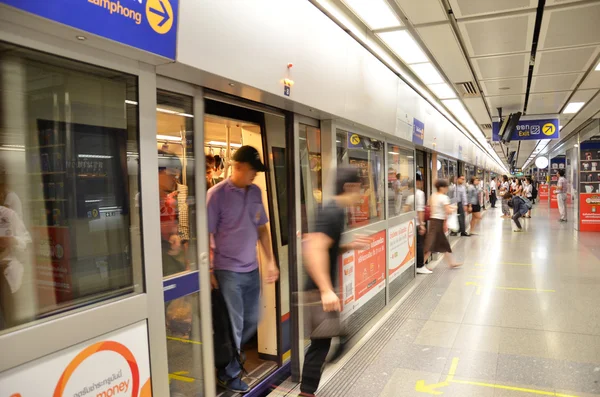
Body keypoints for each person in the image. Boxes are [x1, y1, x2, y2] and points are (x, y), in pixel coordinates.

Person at [207, 145, 280, 393]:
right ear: (238, 167)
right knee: (235, 324)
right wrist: (208, 271)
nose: (254, 176)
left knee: (252, 319)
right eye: (252, 171)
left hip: (251, 269)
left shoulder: (256, 192)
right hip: (227, 271)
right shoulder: (216, 195)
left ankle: (233, 359)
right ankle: (229, 373)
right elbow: (206, 234)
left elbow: (261, 229)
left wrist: (270, 261)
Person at [300, 166, 370, 396]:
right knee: (321, 344)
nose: (361, 196)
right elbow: (313, 248)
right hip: (318, 289)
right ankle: (306, 392)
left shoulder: (332, 209)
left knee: (329, 340)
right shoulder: (333, 212)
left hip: (319, 288)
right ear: (349, 187)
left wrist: (350, 246)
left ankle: (307, 389)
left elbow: (324, 246)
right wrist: (326, 289)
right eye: (360, 190)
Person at [424, 179, 461, 268]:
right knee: (431, 245)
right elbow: (448, 211)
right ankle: (421, 264)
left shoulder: (433, 196)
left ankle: (451, 263)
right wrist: (454, 208)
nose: (447, 189)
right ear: (441, 188)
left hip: (433, 221)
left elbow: (432, 207)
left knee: (443, 244)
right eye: (446, 187)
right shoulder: (444, 197)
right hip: (438, 223)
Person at [406, 174, 428, 274]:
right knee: (419, 244)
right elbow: (420, 211)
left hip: (409, 224)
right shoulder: (420, 193)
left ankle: (416, 264)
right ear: (418, 182)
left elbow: (405, 209)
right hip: (417, 223)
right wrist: (422, 224)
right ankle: (420, 265)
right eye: (421, 181)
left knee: (413, 245)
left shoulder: (408, 194)